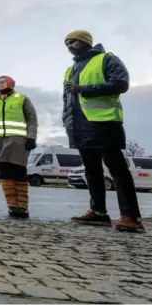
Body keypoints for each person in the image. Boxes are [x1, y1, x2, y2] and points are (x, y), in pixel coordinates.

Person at [63, 30, 144, 232]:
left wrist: (84, 89)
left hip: (104, 123)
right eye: (67, 43)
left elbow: (121, 83)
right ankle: (98, 212)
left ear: (85, 41)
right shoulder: (70, 70)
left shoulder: (106, 59)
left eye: (73, 41)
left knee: (117, 169)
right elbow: (68, 99)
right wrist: (67, 121)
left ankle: (130, 217)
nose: (69, 45)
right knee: (91, 170)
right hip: (79, 126)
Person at [0, 75, 38, 219]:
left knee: (19, 171)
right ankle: (12, 206)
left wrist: (31, 136)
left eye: (3, 82)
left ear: (11, 83)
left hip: (17, 141)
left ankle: (22, 207)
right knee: (4, 172)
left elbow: (32, 118)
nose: (1, 85)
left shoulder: (22, 98)